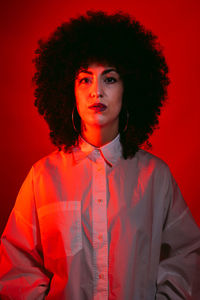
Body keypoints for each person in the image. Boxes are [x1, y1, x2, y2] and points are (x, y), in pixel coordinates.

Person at [0, 10, 199, 300]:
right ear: (69, 90)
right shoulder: (41, 178)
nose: (97, 92)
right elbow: (15, 267)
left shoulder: (156, 177)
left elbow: (188, 255)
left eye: (110, 79)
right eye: (85, 79)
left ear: (128, 88)